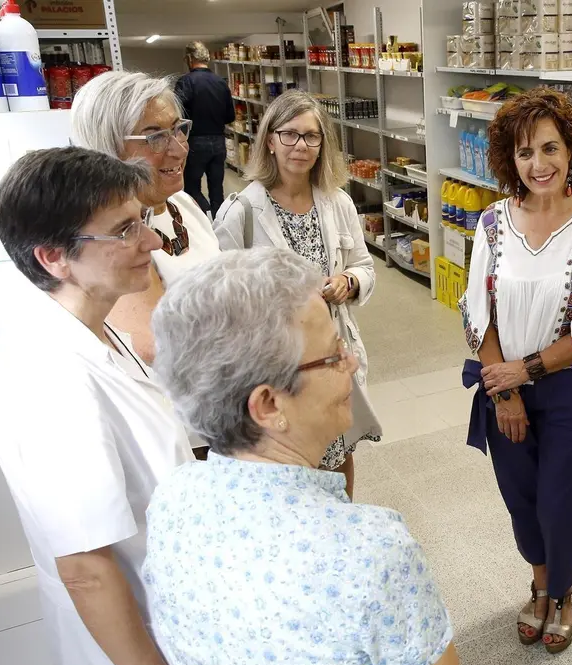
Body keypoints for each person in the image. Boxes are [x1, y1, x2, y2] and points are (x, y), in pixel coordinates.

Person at [143, 248, 459, 665]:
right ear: (268, 404)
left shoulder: (171, 498)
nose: (351, 364)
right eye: (333, 355)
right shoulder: (371, 551)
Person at [0, 147, 192, 665]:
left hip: (169, 609)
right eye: (125, 229)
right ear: (55, 257)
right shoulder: (49, 376)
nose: (151, 241)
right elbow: (85, 566)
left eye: (142, 220)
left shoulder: (94, 329)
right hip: (135, 662)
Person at [459, 88, 572, 654]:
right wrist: (504, 389)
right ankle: (538, 582)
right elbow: (474, 313)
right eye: (523, 153)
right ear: (507, 160)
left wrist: (526, 371)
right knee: (519, 497)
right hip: (501, 389)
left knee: (560, 498)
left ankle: (561, 591)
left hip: (570, 391)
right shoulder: (491, 223)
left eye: (549, 149)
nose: (538, 165)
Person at [213, 90, 380, 495]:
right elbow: (222, 301)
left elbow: (364, 264)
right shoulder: (242, 212)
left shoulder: (337, 202)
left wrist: (350, 282)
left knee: (337, 451)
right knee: (288, 458)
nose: (300, 146)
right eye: (289, 134)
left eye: (311, 136)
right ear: (269, 140)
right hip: (277, 363)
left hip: (328, 355)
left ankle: (339, 529)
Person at [72, 71, 221, 365]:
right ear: (107, 147)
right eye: (155, 137)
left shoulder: (183, 204)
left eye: (179, 129)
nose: (179, 149)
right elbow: (154, 349)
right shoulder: (110, 237)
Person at [176, 41, 235, 217]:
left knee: (191, 187)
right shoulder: (221, 83)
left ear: (189, 58)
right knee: (217, 189)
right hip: (218, 142)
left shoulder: (186, 82)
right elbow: (230, 116)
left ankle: (204, 217)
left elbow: (177, 114)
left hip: (194, 143)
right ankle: (221, 225)